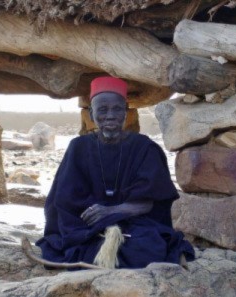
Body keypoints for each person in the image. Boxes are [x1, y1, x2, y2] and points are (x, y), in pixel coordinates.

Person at [36, 76, 195, 269]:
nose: (110, 115)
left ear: (126, 113)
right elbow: (65, 200)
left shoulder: (144, 148)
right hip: (89, 226)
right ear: (92, 115)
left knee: (147, 246)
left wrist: (111, 211)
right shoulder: (78, 148)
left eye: (117, 109)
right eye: (102, 110)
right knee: (77, 245)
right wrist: (99, 221)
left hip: (133, 224)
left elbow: (147, 204)